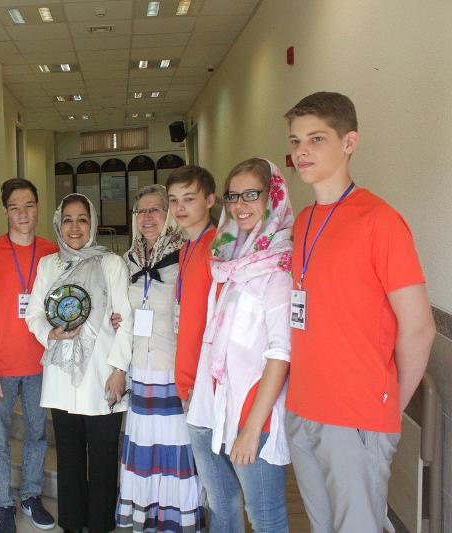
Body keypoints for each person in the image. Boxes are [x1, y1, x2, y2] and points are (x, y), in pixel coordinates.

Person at [284, 92, 435, 532]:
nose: (302, 151)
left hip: (356, 416)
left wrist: (386, 408)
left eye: (316, 138)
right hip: (303, 407)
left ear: (349, 142)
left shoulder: (380, 221)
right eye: (296, 141)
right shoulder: (304, 220)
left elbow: (420, 328)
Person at [186, 158, 293, 532]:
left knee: (264, 516)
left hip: (253, 413)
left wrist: (251, 429)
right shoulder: (229, 259)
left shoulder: (278, 269)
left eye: (251, 194)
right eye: (233, 196)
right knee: (224, 505)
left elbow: (280, 354)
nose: (240, 205)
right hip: (217, 405)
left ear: (273, 197)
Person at [25, 193, 133, 533]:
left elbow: (125, 320)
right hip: (61, 375)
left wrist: (119, 370)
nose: (75, 227)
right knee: (69, 457)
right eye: (68, 219)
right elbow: (34, 314)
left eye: (82, 219)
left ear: (93, 223)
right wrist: (50, 333)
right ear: (59, 224)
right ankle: (72, 523)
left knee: (103, 457)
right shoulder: (49, 265)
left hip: (102, 375)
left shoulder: (111, 264)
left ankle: (100, 524)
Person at [115, 184, 206, 532]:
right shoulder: (128, 260)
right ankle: (147, 514)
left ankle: (176, 518)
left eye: (155, 209)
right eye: (141, 211)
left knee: (175, 443)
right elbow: (123, 311)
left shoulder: (186, 255)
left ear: (168, 215)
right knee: (146, 443)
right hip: (141, 368)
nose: (147, 217)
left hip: (173, 368)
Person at [0, 178, 58, 533]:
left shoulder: (52, 252)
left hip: (41, 364)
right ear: (5, 211)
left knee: (37, 434)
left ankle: (31, 495)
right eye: (14, 207)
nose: (22, 214)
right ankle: (3, 503)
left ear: (38, 207)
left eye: (28, 206)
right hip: (1, 366)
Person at [166, 166, 217, 407]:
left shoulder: (216, 248)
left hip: (206, 382)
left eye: (188, 199)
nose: (179, 208)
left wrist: (203, 382)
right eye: (173, 200)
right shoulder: (186, 247)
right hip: (188, 378)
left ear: (210, 200)